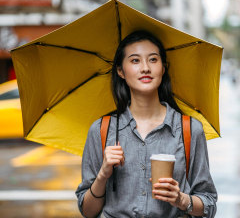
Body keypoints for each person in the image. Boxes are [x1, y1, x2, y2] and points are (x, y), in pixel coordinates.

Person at [75, 30, 217, 218]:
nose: (145, 68)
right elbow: (87, 211)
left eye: (153, 60)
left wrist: (181, 200)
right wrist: (103, 175)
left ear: (163, 68)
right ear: (120, 71)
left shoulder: (189, 130)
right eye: (135, 60)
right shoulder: (101, 130)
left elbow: (209, 203)